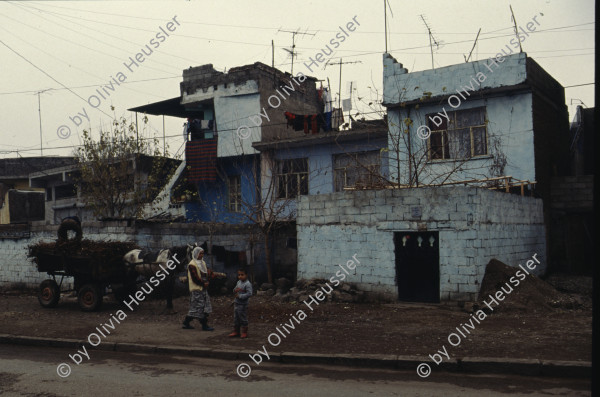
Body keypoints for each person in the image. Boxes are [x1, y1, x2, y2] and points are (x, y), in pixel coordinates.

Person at [182, 247, 214, 331]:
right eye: (200, 253)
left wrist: (209, 278)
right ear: (196, 254)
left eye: (202, 253)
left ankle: (186, 322)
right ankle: (204, 325)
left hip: (203, 288)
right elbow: (195, 278)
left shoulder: (202, 262)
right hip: (196, 289)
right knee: (200, 306)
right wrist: (204, 283)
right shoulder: (192, 264)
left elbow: (206, 273)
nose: (201, 255)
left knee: (199, 306)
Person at [228, 268, 252, 338]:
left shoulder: (247, 284)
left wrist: (240, 296)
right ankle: (236, 331)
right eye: (239, 275)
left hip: (243, 304)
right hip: (236, 303)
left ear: (246, 275)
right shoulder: (239, 282)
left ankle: (244, 332)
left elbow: (249, 293)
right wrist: (235, 290)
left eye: (242, 275)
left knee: (242, 317)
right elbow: (234, 289)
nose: (240, 276)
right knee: (236, 318)